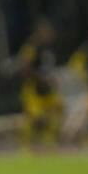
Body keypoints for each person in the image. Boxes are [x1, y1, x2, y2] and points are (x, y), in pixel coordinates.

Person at [17, 19, 62, 149]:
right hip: (33, 88)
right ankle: (26, 144)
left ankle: (50, 140)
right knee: (34, 117)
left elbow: (49, 68)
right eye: (48, 32)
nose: (51, 35)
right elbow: (24, 67)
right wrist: (40, 78)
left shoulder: (51, 48)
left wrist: (53, 79)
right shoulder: (32, 47)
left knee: (57, 110)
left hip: (48, 88)